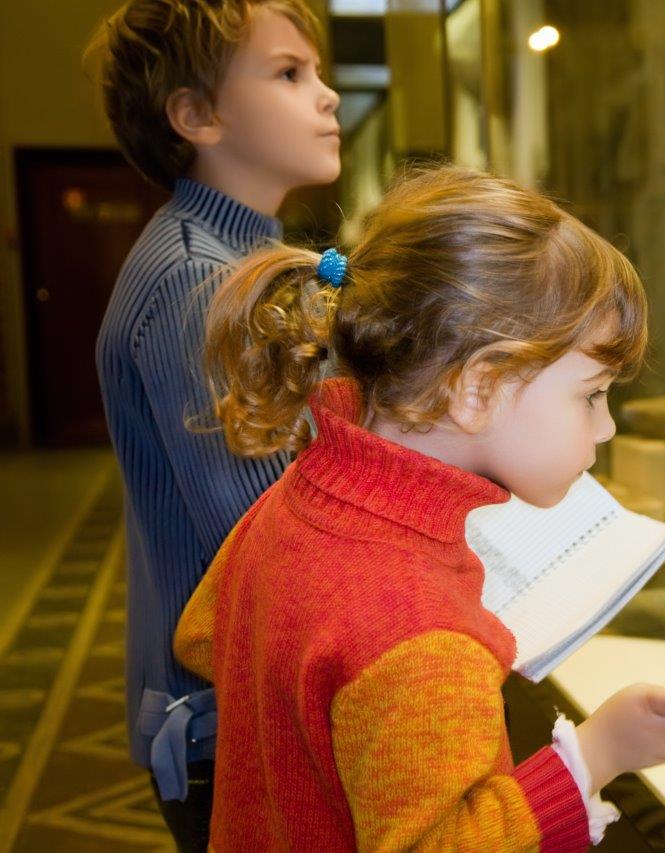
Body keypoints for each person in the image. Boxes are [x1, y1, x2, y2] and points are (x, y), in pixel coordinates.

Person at [173, 165, 665, 850]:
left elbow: (202, 633)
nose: (606, 426)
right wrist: (595, 753)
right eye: (591, 394)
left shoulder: (303, 493)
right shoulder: (421, 630)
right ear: (477, 387)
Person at [87, 0, 340, 845]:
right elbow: (273, 537)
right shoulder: (199, 284)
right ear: (196, 116)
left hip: (245, 703)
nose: (328, 95)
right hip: (232, 723)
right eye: (288, 73)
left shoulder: (239, 262)